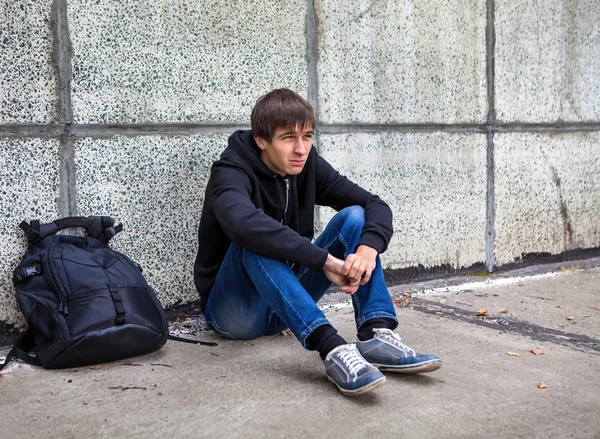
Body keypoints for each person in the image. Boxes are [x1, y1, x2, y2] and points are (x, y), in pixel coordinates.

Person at [194, 88, 442, 395]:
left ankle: (375, 332)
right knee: (254, 237)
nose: (301, 149)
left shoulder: (306, 163)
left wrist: (367, 249)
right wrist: (324, 261)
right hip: (236, 314)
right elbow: (244, 226)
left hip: (284, 307)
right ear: (262, 140)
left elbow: (373, 204)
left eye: (308, 136)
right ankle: (331, 347)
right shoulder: (230, 172)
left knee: (354, 217)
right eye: (288, 138)